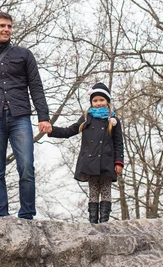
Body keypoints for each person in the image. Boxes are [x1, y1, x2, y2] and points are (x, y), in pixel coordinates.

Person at [0, 12, 51, 220]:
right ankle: (1, 216)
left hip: (20, 116)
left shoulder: (24, 55)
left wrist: (44, 116)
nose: (6, 29)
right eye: (2, 26)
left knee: (26, 167)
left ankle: (26, 215)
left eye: (9, 26)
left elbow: (36, 86)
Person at [48, 83, 124, 223]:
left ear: (107, 101)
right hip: (90, 162)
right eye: (95, 100)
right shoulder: (86, 118)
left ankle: (104, 222)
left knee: (106, 191)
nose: (98, 103)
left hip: (107, 161)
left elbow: (119, 142)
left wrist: (119, 162)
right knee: (93, 192)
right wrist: (52, 130)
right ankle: (93, 222)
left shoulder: (114, 121)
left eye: (101, 100)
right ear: (91, 102)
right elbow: (70, 131)